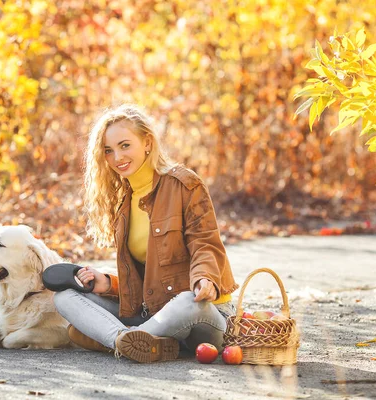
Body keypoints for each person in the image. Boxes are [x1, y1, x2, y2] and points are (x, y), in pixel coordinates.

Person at [53, 104, 238, 363]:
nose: (117, 157)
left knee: (186, 301)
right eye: (108, 150)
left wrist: (205, 278)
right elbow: (148, 276)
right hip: (154, 314)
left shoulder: (184, 184)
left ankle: (118, 340)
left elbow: (204, 241)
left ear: (147, 142)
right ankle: (137, 341)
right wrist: (108, 283)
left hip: (202, 311)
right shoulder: (124, 201)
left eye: (125, 145)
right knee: (65, 298)